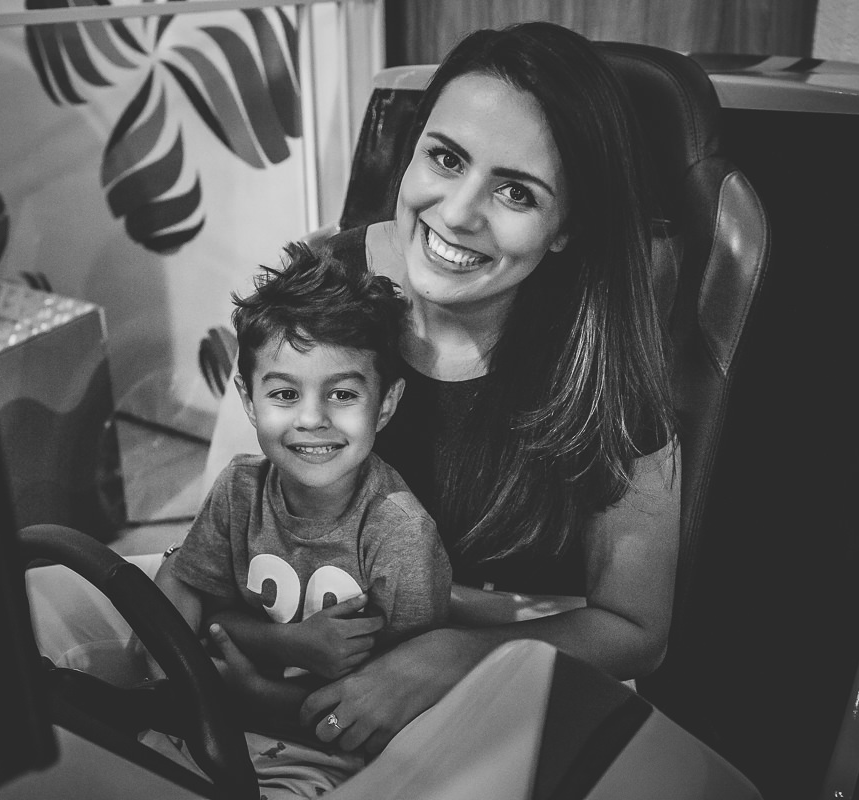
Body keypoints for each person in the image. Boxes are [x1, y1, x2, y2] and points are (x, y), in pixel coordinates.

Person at [205, 20, 680, 758]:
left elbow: (637, 630)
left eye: (516, 192)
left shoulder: (605, 364)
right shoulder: (320, 287)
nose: (457, 213)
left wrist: (455, 655)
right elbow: (227, 522)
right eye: (446, 158)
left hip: (507, 694)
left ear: (566, 227)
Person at [149, 241, 452, 797]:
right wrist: (284, 645)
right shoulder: (239, 489)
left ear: (385, 404)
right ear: (248, 400)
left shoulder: (400, 534)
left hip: (324, 757)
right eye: (286, 393)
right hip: (208, 720)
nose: (312, 418)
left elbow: (397, 706)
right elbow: (198, 600)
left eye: (342, 394)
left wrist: (256, 693)